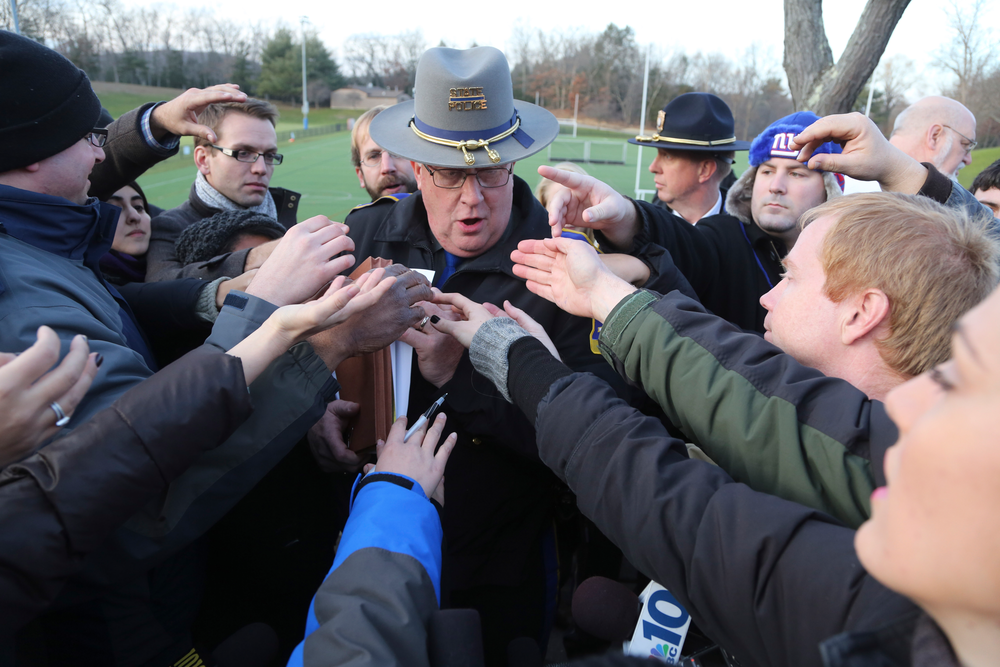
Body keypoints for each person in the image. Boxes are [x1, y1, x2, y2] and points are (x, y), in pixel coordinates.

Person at [0, 30, 432, 664]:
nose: (100, 158)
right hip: (124, 618)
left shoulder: (43, 239)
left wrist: (229, 293)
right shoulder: (29, 303)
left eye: (270, 156)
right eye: (91, 138)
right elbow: (133, 485)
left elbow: (120, 309)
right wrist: (294, 326)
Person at [340, 44, 653, 663]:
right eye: (449, 176)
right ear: (417, 168)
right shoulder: (365, 235)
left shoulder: (568, 266)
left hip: (503, 557)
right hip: (377, 534)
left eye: (491, 174)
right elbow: (328, 358)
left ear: (516, 165)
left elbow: (597, 434)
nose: (473, 200)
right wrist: (324, 410)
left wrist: (465, 377)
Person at [0, 271, 393, 637]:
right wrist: (289, 333)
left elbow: (64, 496)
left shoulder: (58, 263)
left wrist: (241, 304)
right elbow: (88, 504)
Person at [145, 98, 297, 282]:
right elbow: (161, 286)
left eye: (269, 155)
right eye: (243, 153)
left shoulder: (281, 214)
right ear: (203, 160)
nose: (261, 168)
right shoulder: (171, 226)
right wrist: (252, 258)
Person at [629, 92, 750, 224]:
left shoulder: (748, 237)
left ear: (705, 170)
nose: (653, 167)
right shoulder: (644, 228)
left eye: (668, 156)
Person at [351, 105, 418, 201]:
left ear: (420, 165)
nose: (387, 168)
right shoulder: (356, 216)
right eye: (374, 156)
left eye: (397, 152)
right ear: (360, 176)